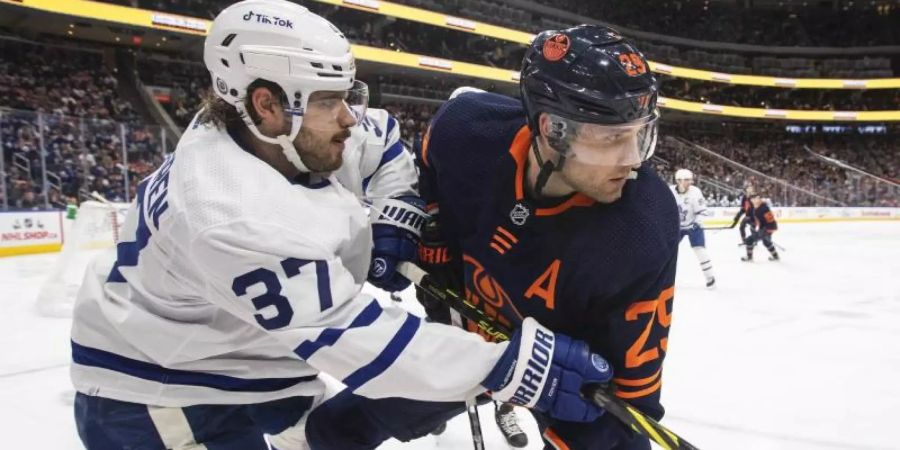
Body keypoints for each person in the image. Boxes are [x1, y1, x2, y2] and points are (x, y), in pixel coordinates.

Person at [69, 2, 614, 449]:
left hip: (245, 363)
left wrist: (393, 211)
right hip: (163, 399)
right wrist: (511, 365)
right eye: (331, 102)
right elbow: (355, 337)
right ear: (267, 104)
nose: (350, 117)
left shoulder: (267, 135)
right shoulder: (228, 212)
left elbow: (384, 141)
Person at [305, 25, 680, 450]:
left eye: (641, 134)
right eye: (613, 138)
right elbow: (429, 172)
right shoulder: (465, 130)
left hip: (570, 378)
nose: (633, 161)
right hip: (470, 340)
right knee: (332, 432)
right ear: (553, 128)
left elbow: (632, 395)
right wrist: (428, 236)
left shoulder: (642, 226)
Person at [670, 169, 715, 288]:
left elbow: (703, 211)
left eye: (689, 180)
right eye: (686, 180)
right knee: (667, 252)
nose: (689, 183)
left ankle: (710, 277)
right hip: (676, 227)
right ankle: (663, 279)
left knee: (700, 251)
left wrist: (698, 222)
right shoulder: (670, 191)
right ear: (679, 180)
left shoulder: (695, 192)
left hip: (693, 226)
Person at [741, 193, 780, 261]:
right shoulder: (756, 208)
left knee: (749, 240)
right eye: (752, 199)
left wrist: (765, 230)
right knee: (766, 242)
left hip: (768, 228)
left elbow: (770, 220)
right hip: (765, 228)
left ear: (759, 200)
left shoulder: (764, 208)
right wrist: (750, 221)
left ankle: (749, 257)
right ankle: (775, 256)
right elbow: (758, 220)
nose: (754, 200)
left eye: (756, 199)